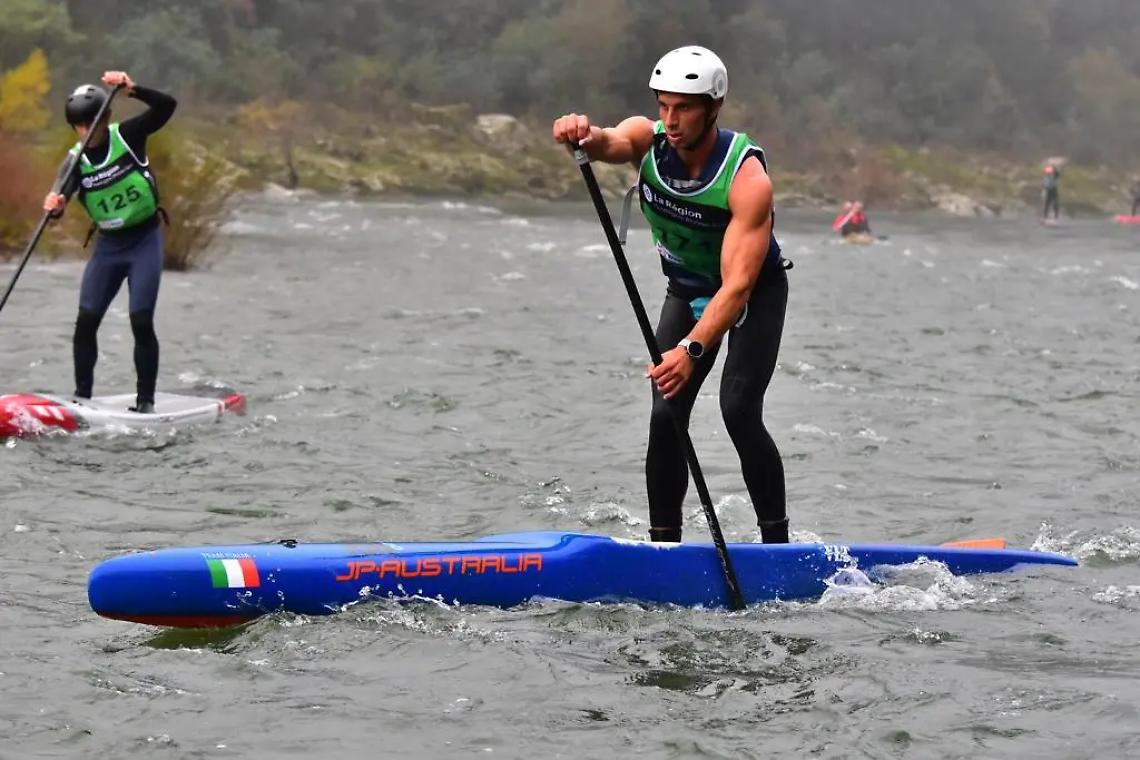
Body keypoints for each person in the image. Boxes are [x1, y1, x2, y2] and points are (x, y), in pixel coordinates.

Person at [553, 45, 790, 544]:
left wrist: (691, 349)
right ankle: (665, 546)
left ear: (713, 109)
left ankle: (776, 544)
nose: (671, 119)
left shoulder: (747, 179)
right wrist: (580, 133)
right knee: (665, 416)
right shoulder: (650, 139)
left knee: (739, 412)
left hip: (751, 300)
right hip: (685, 292)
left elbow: (738, 287)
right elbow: (607, 142)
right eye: (664, 105)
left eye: (683, 107)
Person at [43, 71, 176, 414]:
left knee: (141, 320)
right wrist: (54, 206)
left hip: (144, 239)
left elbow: (167, 107)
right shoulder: (75, 162)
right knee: (86, 320)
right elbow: (59, 201)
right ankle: (81, 399)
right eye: (80, 125)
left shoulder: (128, 136)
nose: (87, 131)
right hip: (109, 247)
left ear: (106, 119)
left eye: (92, 122)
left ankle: (145, 402)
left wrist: (133, 90)